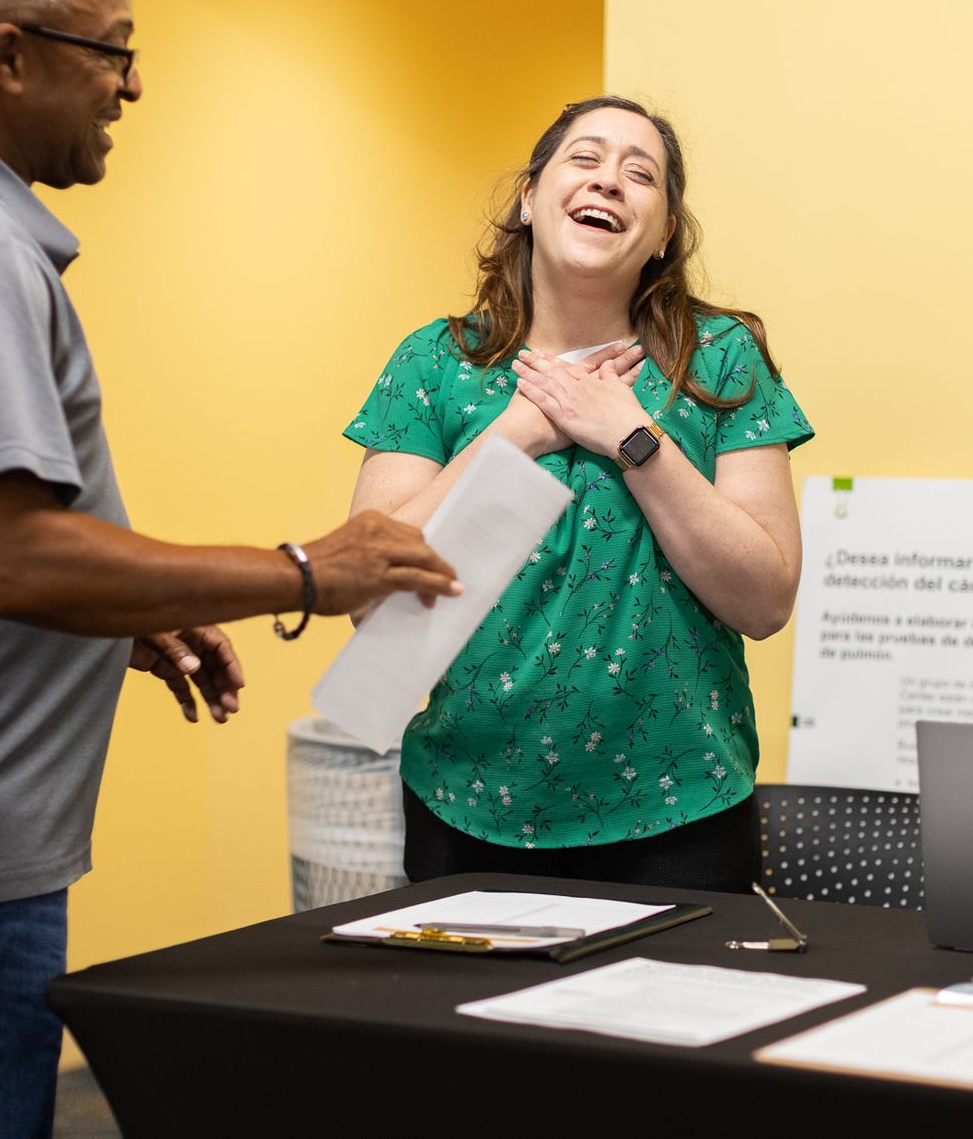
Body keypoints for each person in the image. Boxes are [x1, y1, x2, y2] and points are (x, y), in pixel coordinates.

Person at [0, 0, 457, 1139]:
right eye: (112, 50)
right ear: (12, 54)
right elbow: (9, 554)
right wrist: (304, 571)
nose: (133, 84)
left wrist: (128, 622)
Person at [344, 96, 812, 893]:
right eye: (586, 159)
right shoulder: (434, 362)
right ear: (529, 197)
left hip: (682, 812)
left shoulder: (722, 360)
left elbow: (765, 598)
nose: (610, 182)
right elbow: (367, 592)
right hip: (466, 807)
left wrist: (628, 433)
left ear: (664, 233)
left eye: (641, 174)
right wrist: (521, 431)